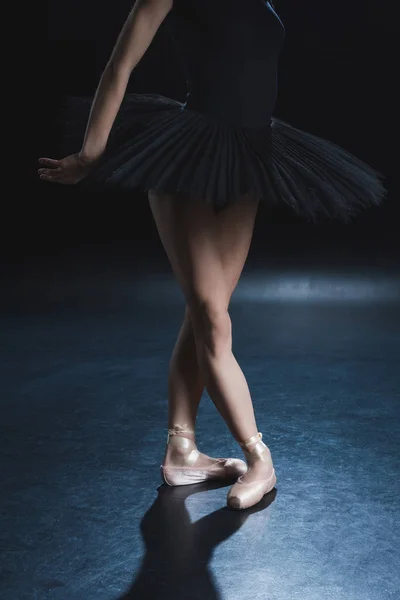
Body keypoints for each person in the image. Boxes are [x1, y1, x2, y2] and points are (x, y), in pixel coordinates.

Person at [37, 0, 386, 510]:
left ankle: (182, 449)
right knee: (211, 317)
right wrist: (91, 153)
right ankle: (258, 455)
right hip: (188, 155)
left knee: (205, 312)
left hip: (248, 155)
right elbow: (120, 65)